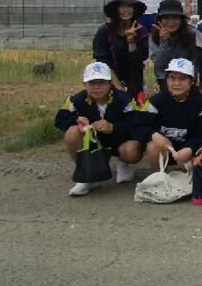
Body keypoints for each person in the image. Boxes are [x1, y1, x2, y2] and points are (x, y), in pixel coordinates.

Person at [54, 62, 142, 196]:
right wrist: (76, 120)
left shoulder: (125, 99)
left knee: (132, 150)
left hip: (120, 140)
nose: (96, 87)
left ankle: (123, 162)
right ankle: (86, 173)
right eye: (91, 83)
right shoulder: (77, 100)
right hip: (94, 142)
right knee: (72, 133)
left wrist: (113, 127)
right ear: (84, 84)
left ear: (110, 83)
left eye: (101, 82)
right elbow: (59, 119)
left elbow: (138, 123)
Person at [133, 58, 202, 172]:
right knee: (152, 146)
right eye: (172, 78)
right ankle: (161, 175)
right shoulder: (155, 101)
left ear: (192, 81)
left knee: (194, 163)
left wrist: (191, 149)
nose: (176, 83)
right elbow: (137, 124)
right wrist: (153, 135)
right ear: (166, 80)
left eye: (182, 79)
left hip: (188, 150)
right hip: (164, 148)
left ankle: (189, 175)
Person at [93, 0, 149, 96]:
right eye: (122, 6)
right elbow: (102, 60)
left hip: (134, 81)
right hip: (110, 79)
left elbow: (138, 61)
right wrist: (117, 85)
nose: (126, 10)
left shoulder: (141, 31)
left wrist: (131, 41)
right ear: (115, 9)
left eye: (129, 6)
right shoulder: (104, 31)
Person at [149, 0, 198, 92]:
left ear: (181, 20)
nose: (171, 22)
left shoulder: (192, 35)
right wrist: (164, 41)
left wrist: (186, 80)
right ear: (159, 20)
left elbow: (195, 63)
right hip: (165, 78)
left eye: (175, 18)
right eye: (166, 18)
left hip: (187, 78)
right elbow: (159, 66)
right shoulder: (154, 37)